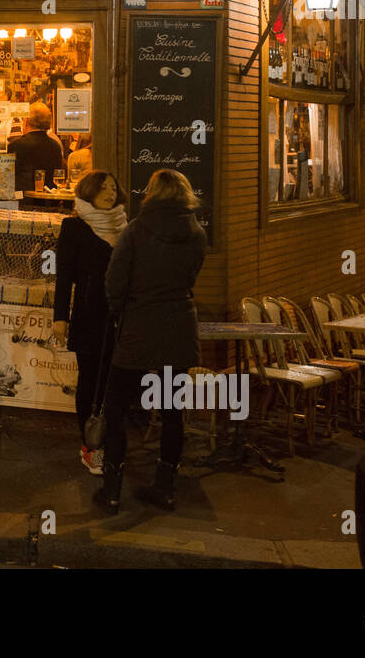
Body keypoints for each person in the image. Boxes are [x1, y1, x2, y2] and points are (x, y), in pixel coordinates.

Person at [95, 168, 207, 513]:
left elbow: (114, 281)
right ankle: (165, 486)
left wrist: (120, 312)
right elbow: (191, 274)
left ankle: (112, 485)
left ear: (153, 193)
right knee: (173, 409)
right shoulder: (197, 234)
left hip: (139, 327)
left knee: (115, 407)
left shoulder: (136, 230)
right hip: (178, 326)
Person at [52, 170, 128, 476]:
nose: (110, 193)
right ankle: (89, 445)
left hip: (122, 316)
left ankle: (110, 441)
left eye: (113, 187)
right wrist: (60, 317)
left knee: (115, 381)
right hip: (88, 313)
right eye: (103, 188)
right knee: (89, 381)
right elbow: (64, 277)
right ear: (89, 192)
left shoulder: (126, 227)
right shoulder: (74, 227)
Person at [7, 101, 65, 191]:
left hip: (22, 201)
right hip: (48, 201)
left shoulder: (16, 145)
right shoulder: (55, 146)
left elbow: (4, 181)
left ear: (26, 121)